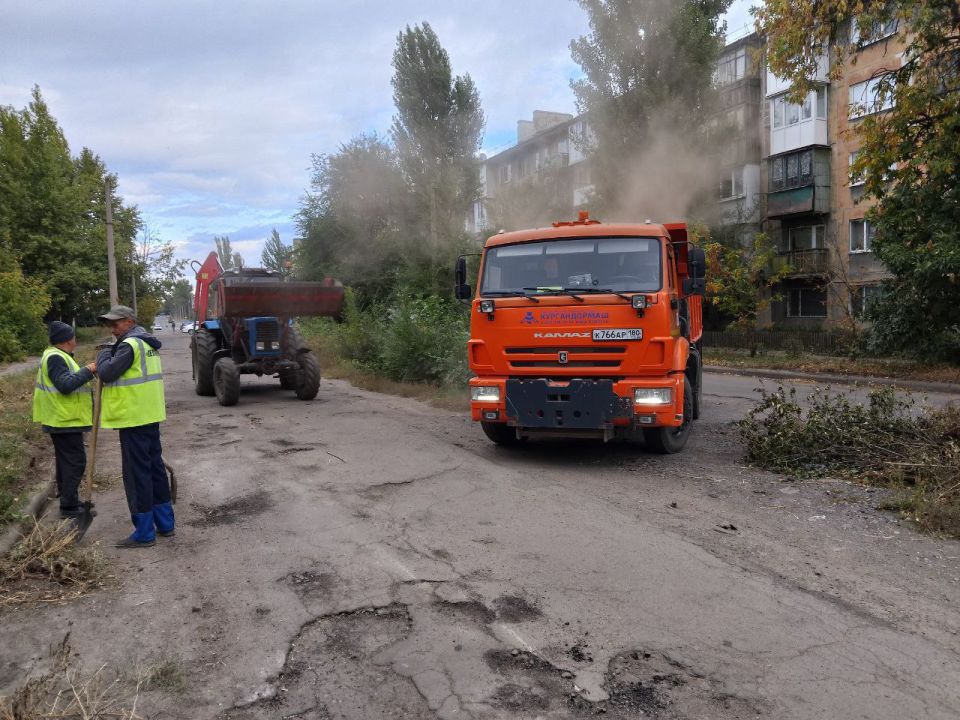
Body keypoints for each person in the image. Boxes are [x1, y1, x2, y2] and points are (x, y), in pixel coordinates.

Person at [95, 305, 173, 548]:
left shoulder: (130, 345)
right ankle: (166, 523)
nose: (112, 328)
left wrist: (103, 353)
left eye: (116, 323)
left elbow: (107, 373)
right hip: (149, 415)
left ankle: (144, 532)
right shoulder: (147, 343)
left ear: (129, 321)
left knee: (137, 473)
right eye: (110, 324)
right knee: (155, 469)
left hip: (133, 418)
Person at [32, 322, 97, 518]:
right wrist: (88, 370)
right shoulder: (55, 358)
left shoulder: (58, 356)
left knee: (65, 462)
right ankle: (69, 506)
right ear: (70, 339)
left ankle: (69, 500)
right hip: (64, 420)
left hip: (63, 418)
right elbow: (65, 385)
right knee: (75, 462)